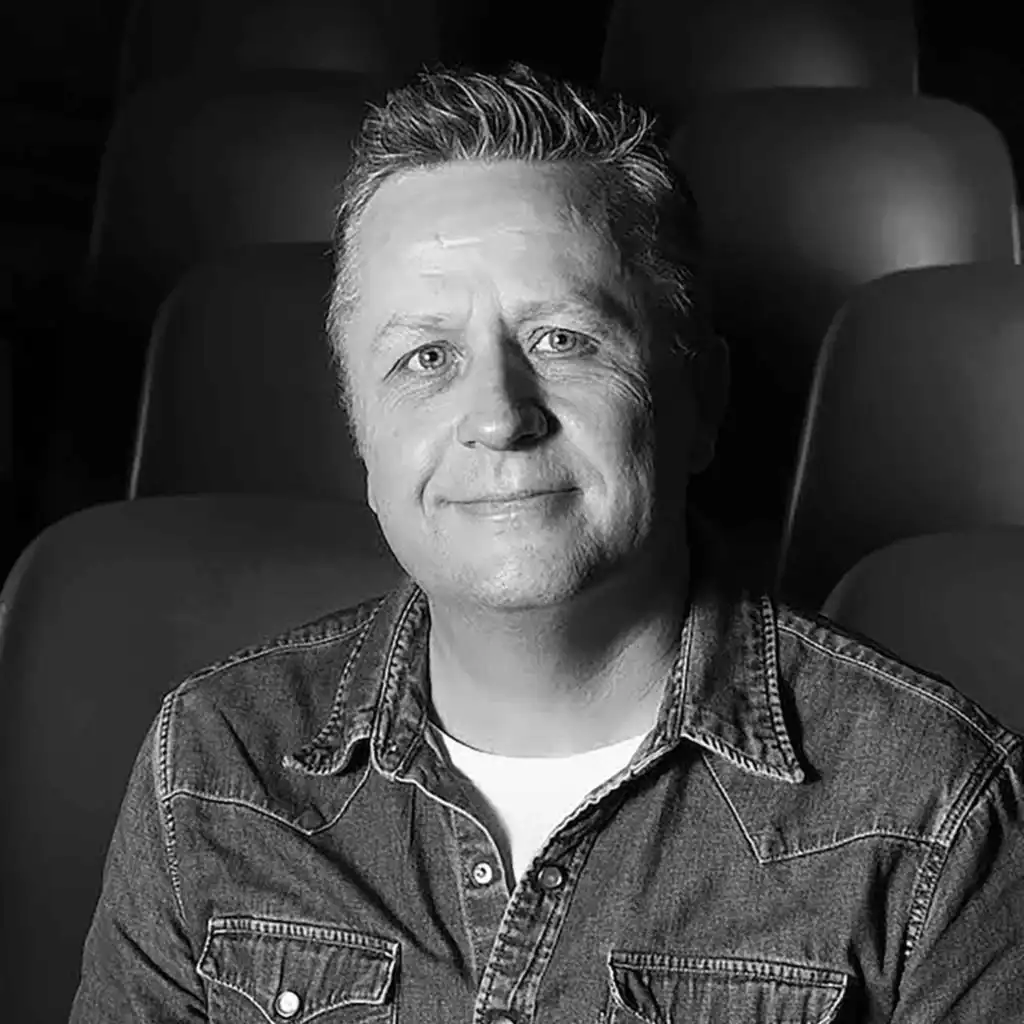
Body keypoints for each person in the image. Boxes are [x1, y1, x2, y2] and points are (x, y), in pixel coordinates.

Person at [70, 64, 1023, 1023]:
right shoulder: (214, 763)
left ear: (702, 401)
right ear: (361, 435)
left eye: (563, 339)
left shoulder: (940, 810)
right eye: (425, 358)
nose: (499, 416)